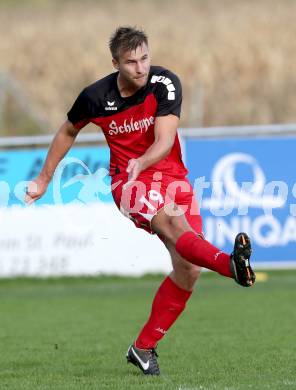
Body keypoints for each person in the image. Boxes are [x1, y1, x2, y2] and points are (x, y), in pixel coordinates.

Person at [25, 26, 256, 376]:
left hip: (171, 176)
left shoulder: (164, 83)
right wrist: (44, 179)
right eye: (131, 61)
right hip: (128, 182)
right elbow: (68, 129)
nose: (140, 67)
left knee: (189, 269)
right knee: (174, 225)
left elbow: (164, 140)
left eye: (144, 58)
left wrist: (144, 160)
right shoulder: (95, 97)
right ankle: (231, 267)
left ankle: (143, 347)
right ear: (115, 62)